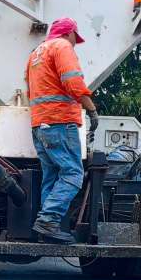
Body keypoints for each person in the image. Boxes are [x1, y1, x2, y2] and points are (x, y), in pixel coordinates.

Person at [25, 17, 99, 244]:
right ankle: (48, 220)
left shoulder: (35, 54)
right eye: (75, 38)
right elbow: (73, 82)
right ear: (69, 33)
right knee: (73, 175)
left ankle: (47, 229)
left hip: (39, 124)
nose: (75, 43)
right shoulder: (62, 46)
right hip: (60, 122)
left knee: (52, 177)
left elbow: (28, 89)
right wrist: (92, 110)